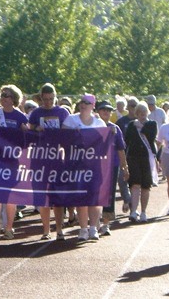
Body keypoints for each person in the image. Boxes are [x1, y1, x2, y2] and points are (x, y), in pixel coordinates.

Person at [0, 85, 28, 240]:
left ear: (14, 99)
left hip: (11, 161)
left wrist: (26, 130)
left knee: (10, 196)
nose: (3, 97)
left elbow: (26, 139)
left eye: (7, 95)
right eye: (2, 94)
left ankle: (9, 228)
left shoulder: (20, 117)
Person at [28, 83, 70, 241]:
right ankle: (46, 230)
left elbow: (69, 133)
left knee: (58, 197)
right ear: (41, 98)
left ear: (55, 97)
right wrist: (35, 128)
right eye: (45, 99)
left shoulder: (62, 112)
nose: (48, 102)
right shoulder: (35, 113)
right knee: (42, 197)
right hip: (39, 160)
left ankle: (59, 230)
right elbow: (28, 129)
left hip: (58, 159)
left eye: (51, 99)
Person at [62, 93, 106, 241]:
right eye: (81, 102)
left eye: (87, 102)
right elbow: (63, 139)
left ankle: (93, 228)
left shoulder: (99, 123)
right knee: (81, 198)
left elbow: (104, 145)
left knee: (94, 198)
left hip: (94, 166)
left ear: (93, 106)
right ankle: (83, 229)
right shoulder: (71, 119)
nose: (83, 104)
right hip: (76, 166)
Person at [96, 101, 130, 236]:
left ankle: (105, 224)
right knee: (95, 193)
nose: (106, 112)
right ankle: (95, 222)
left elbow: (121, 149)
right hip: (95, 165)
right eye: (103, 110)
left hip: (112, 165)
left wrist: (125, 167)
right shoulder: (92, 126)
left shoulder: (115, 129)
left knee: (109, 194)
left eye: (109, 110)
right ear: (98, 111)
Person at [125, 102, 158, 223]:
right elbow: (127, 140)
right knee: (135, 184)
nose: (142, 115)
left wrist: (141, 126)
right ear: (136, 113)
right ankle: (133, 211)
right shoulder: (131, 125)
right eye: (140, 113)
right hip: (133, 158)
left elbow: (151, 136)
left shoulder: (152, 124)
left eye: (144, 113)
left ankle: (144, 212)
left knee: (146, 186)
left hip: (147, 158)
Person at [116, 96, 139, 213]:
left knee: (134, 182)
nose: (133, 108)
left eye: (135, 106)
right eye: (131, 105)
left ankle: (132, 206)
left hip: (137, 155)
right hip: (123, 154)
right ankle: (128, 200)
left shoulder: (141, 122)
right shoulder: (121, 122)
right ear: (127, 107)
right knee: (122, 180)